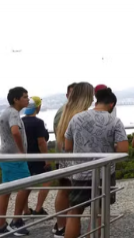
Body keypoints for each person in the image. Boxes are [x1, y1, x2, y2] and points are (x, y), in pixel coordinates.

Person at [64, 87, 128, 238]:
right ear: (111, 104)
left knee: (74, 211)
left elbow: (67, 146)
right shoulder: (115, 121)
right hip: (104, 174)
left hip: (80, 172)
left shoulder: (76, 118)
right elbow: (123, 149)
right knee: (99, 212)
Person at [53, 82, 95, 238]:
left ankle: (62, 226)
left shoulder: (64, 111)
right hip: (76, 161)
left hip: (66, 158)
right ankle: (64, 227)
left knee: (66, 194)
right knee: (75, 203)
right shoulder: (80, 114)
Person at [0, 87, 31, 236]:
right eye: (25, 97)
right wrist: (22, 152)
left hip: (5, 157)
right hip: (14, 158)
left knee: (6, 191)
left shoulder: (7, 112)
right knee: (27, 185)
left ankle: (1, 226)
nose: (28, 99)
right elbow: (15, 131)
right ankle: (16, 221)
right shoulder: (14, 113)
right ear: (16, 99)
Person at [22, 96, 53, 216]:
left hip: (24, 157)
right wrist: (47, 159)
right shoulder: (38, 123)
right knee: (48, 180)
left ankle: (25, 210)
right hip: (38, 157)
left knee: (24, 184)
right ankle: (38, 208)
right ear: (38, 107)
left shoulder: (20, 121)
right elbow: (41, 142)